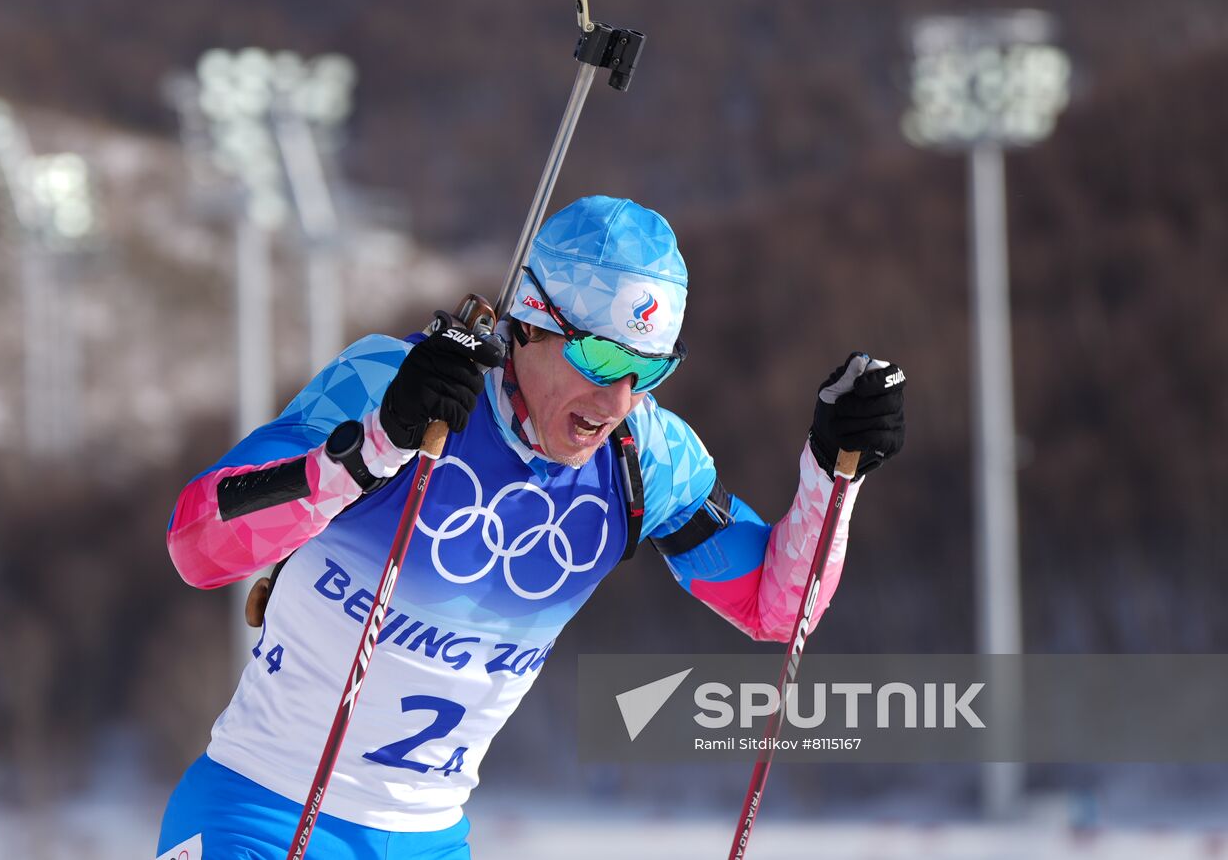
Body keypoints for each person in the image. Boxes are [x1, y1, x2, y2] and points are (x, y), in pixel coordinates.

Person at [156, 195, 906, 860]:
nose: (616, 398)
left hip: (429, 839)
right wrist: (373, 449)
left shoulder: (647, 457)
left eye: (646, 370)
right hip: (259, 812)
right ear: (531, 323)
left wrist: (831, 473)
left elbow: (778, 610)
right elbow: (198, 545)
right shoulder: (391, 385)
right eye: (601, 355)